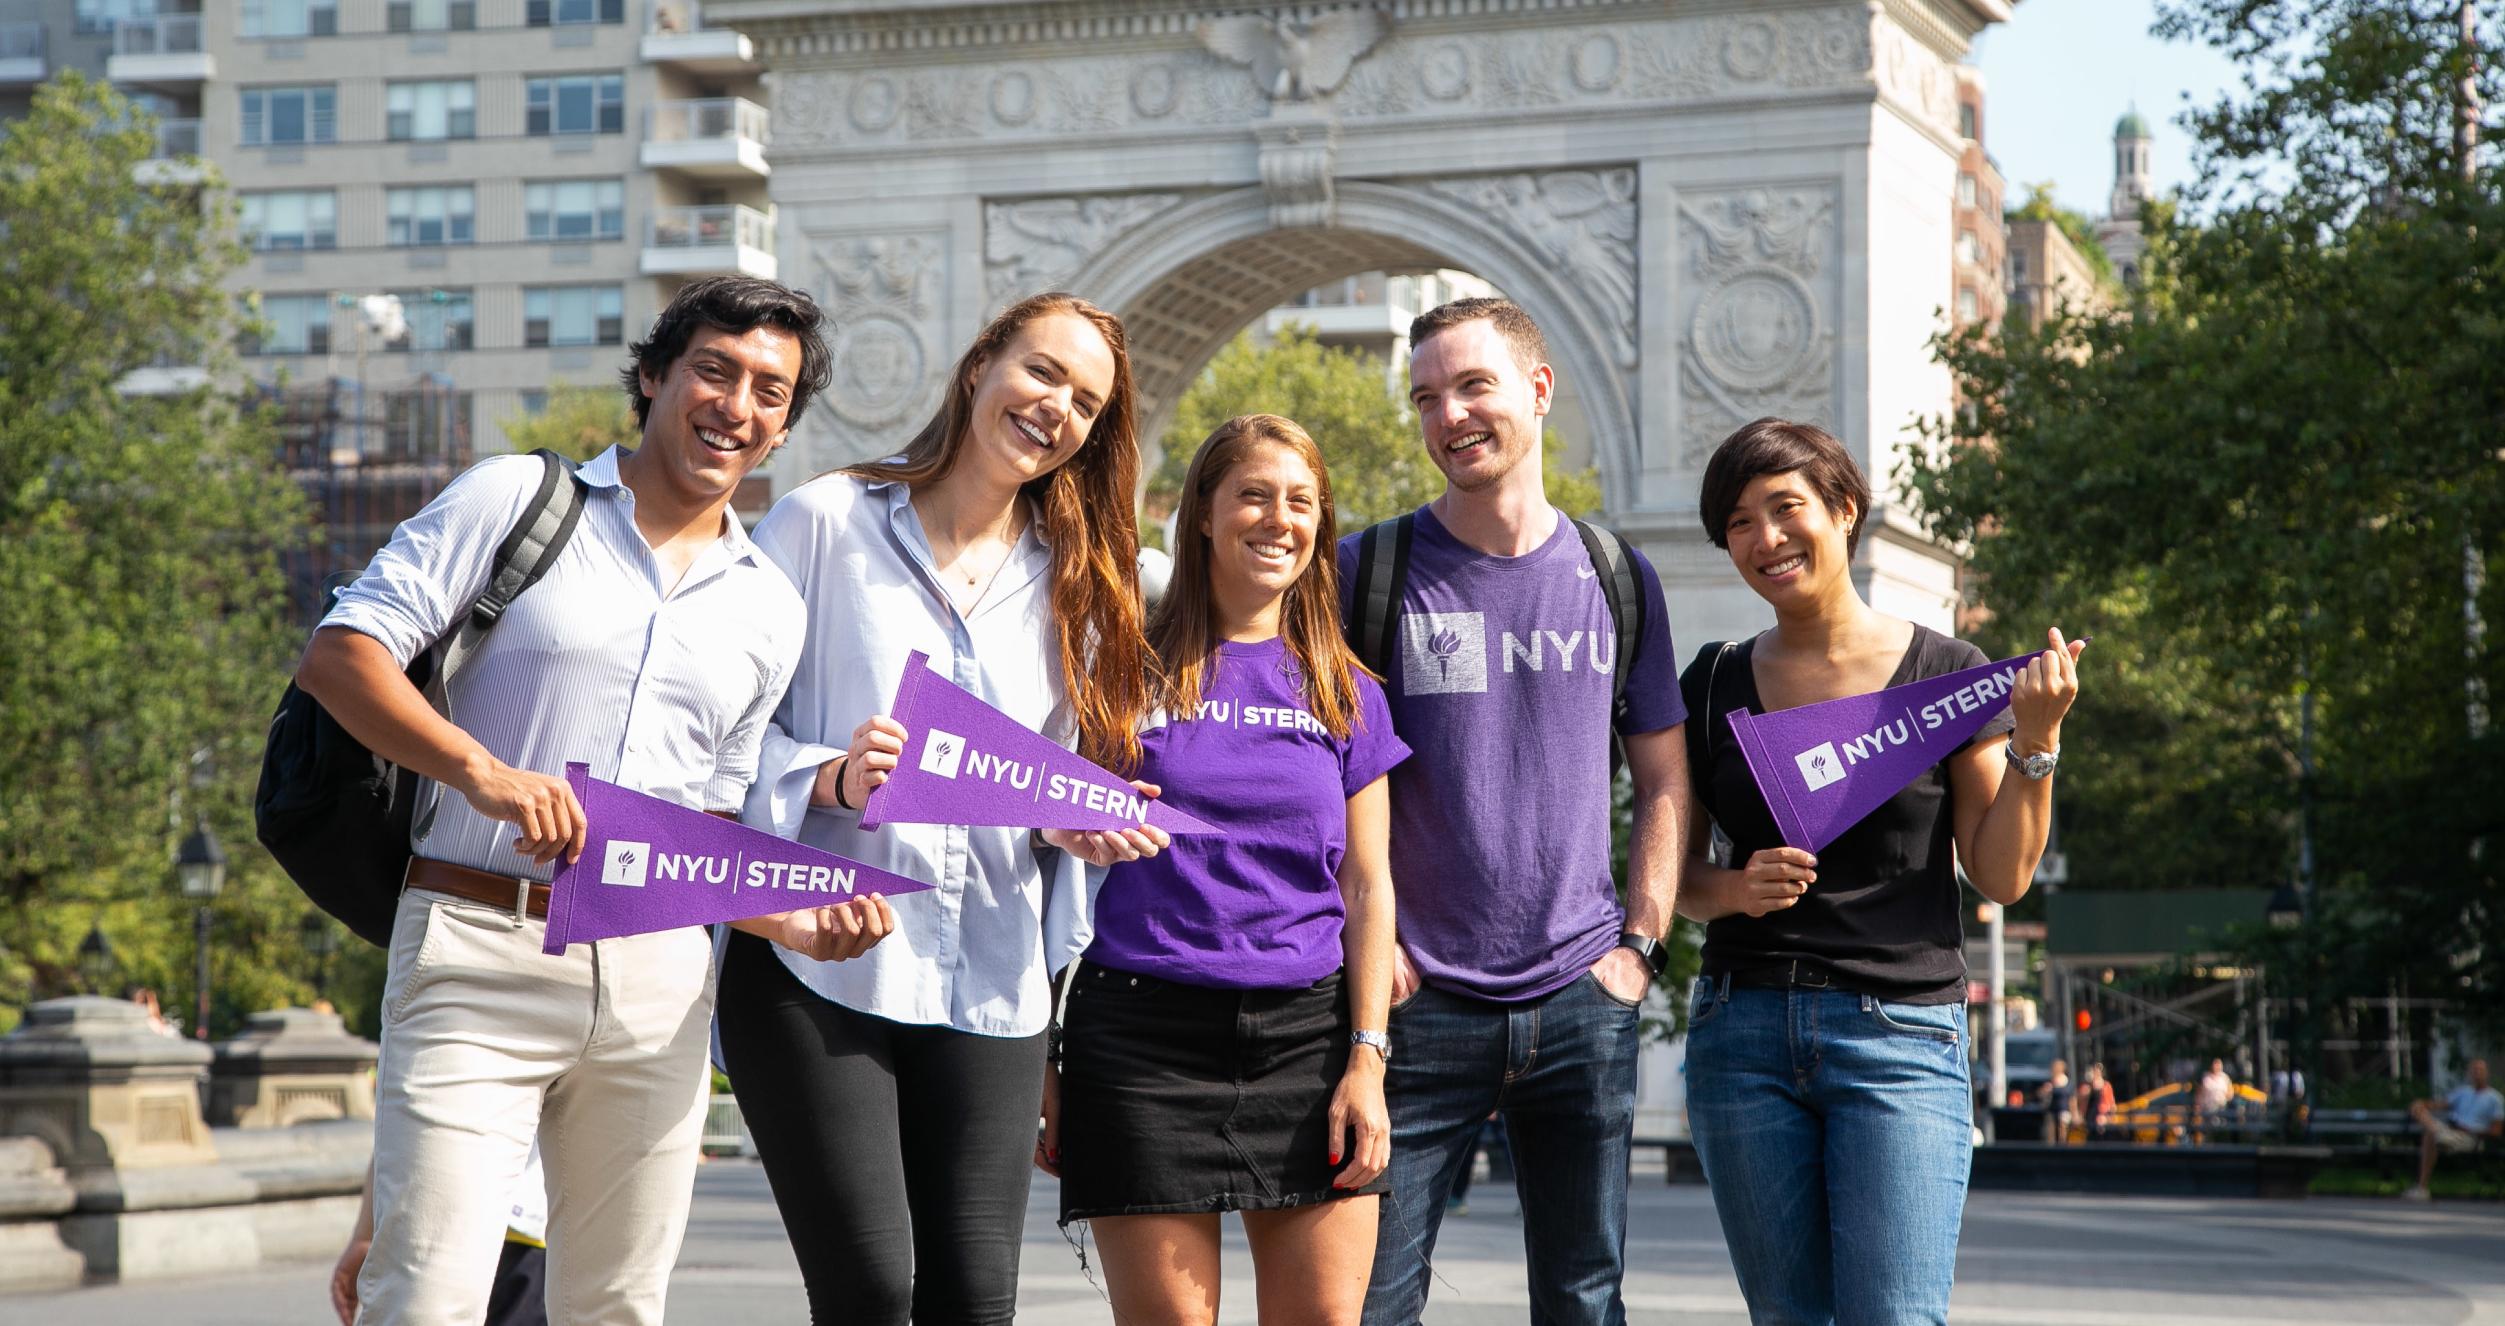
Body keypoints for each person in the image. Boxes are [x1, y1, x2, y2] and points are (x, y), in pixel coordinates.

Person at [296, 275, 895, 1324]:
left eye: (770, 391)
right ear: (656, 376)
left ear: (783, 427)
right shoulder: (515, 500)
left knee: (616, 1306)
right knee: (425, 1295)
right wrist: (479, 771)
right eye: (715, 370)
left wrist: (789, 919)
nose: (737, 405)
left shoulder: (768, 609)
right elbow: (341, 657)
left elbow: (697, 842)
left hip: (658, 987)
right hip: (477, 946)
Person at [717, 291, 1165, 1325]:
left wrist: (1078, 821)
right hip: (819, 957)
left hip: (992, 974)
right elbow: (714, 739)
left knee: (976, 1301)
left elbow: (1052, 778)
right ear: (980, 366)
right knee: (872, 1291)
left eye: (1086, 402)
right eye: (1042, 371)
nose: (1057, 407)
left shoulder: (1084, 584)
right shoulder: (823, 522)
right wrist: (828, 774)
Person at [1675, 417, 2084, 1326]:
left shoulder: (1947, 671)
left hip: (1897, 1037)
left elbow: (2001, 874)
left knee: (1894, 1317)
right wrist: (1734, 890)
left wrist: (2037, 740)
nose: (1765, 539)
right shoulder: (1707, 682)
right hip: (1741, 1035)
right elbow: (1664, 877)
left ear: (1845, 512)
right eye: (1738, 521)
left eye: (1786, 509)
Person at [1342, 298, 1691, 1326]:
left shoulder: (1620, 576)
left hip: (1585, 997)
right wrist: (1373, 950)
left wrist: (1640, 945)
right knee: (1373, 1300)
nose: (1448, 414)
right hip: (1418, 1004)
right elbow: (1319, 774)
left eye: (1473, 385)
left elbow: (1666, 782)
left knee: (1586, 1304)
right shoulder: (1368, 571)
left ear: (1538, 392)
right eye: (1426, 397)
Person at [1049, 414, 1403, 1325]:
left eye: (1299, 502)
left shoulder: (1344, 689)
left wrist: (1366, 1058)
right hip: (1139, 1042)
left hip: (1307, 1041)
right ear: (1201, 512)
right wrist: (1041, 1060)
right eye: (1252, 494)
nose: (1276, 519)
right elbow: (1046, 868)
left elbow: (1367, 887)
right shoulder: (1119, 674)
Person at [333, 1144, 549, 1326]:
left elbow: (396, 1123)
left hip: (465, 1227)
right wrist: (364, 1235)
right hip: (514, 1229)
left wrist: (365, 1234)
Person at [2405, 1058, 2503, 1200]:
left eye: (2480, 1070)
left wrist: (2468, 1130)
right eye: (2474, 1070)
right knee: (2424, 1120)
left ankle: (2422, 1187)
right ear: (2469, 1073)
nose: (2477, 1074)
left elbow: (2496, 1131)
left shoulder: (2495, 1099)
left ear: (2487, 1073)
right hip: (2452, 1132)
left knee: (2430, 1136)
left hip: (2472, 1138)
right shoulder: (2463, 1093)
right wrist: (2421, 1104)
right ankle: (2439, 1136)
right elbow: (2438, 1105)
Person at [2195, 1058, 2236, 1142]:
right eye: (2215, 1064)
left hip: (2221, 1108)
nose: (2217, 1067)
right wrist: (2198, 1105)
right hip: (2207, 1108)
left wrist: (2224, 1097)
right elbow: (2199, 1093)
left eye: (2219, 1065)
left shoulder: (2224, 1077)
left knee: (2220, 1129)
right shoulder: (2206, 1077)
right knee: (2208, 1130)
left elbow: (2230, 1092)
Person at [2041, 1059, 2076, 1144]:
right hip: (2052, 1110)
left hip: (2064, 1110)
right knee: (2051, 1131)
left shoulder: (2067, 1082)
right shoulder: (2051, 1081)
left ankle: (2062, 1146)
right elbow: (2042, 1094)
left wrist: (2074, 1113)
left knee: (2062, 1130)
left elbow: (2072, 1099)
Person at [2080, 1062, 2118, 1141]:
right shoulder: (2088, 1086)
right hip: (2091, 1113)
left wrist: (2111, 1113)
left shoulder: (2106, 1085)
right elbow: (2082, 1099)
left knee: (2103, 1134)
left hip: (2103, 1112)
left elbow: (2111, 1100)